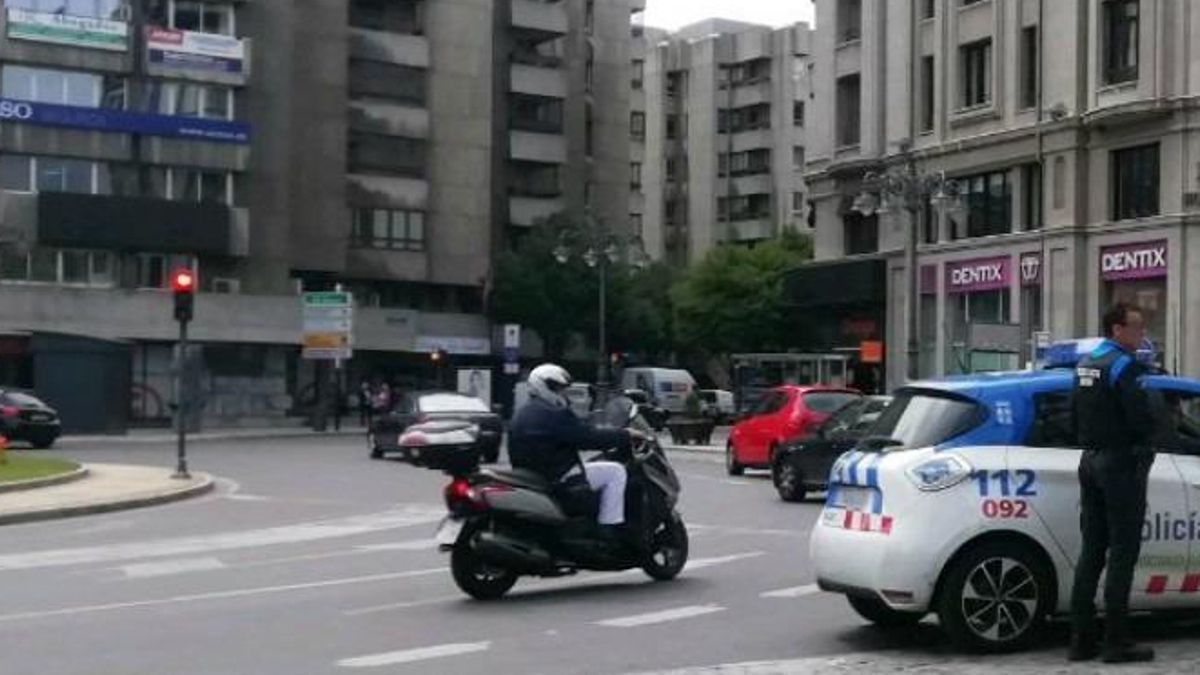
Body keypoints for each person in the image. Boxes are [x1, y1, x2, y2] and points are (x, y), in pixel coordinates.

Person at [1068, 303, 1157, 663]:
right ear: (1117, 329)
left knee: (1092, 550)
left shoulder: (1085, 364)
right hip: (1120, 462)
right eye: (1136, 328)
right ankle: (1116, 640)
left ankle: (1081, 639)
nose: (1141, 335)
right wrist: (1146, 447)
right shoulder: (1123, 365)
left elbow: (1074, 412)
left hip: (1090, 460)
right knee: (1123, 551)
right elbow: (1141, 415)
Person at [508, 364, 646, 539]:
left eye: (563, 389)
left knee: (593, 467)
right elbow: (586, 437)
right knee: (616, 472)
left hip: (534, 475)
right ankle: (609, 528)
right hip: (558, 477)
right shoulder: (552, 413)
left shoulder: (523, 413)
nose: (562, 393)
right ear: (544, 386)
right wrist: (625, 435)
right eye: (558, 388)